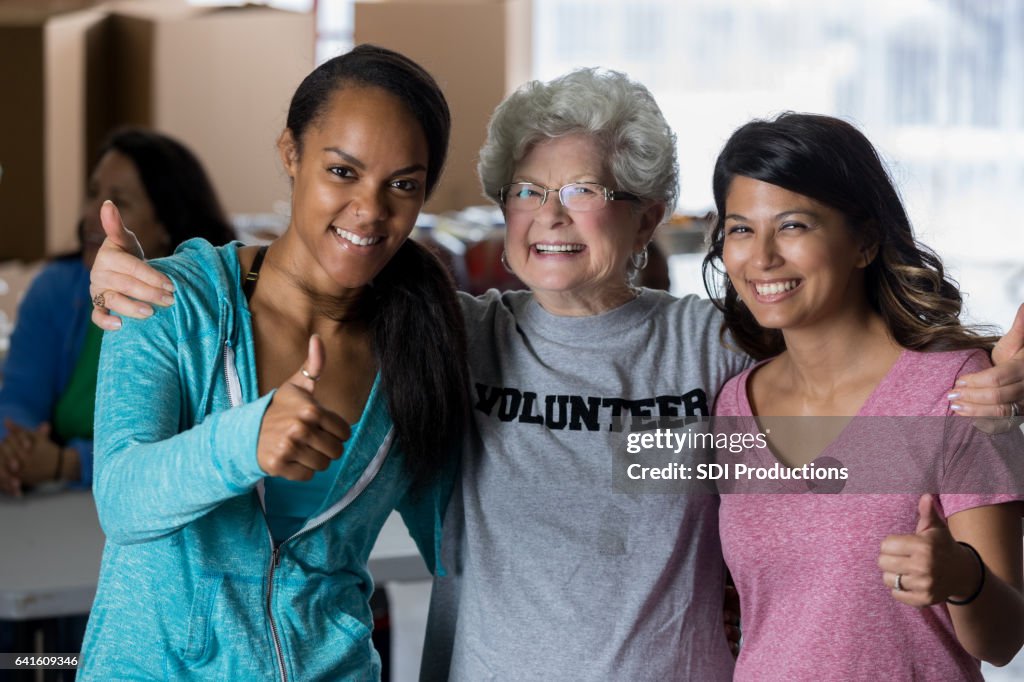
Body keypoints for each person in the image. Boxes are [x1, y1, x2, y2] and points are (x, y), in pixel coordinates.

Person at [88, 70, 1024, 680]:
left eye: (585, 191)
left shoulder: (717, 358)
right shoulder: (449, 335)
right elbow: (335, 262)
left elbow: (847, 396)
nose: (550, 218)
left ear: (649, 214)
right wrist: (159, 277)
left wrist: (981, 394)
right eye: (528, 192)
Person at [77, 45, 468, 679]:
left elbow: (464, 544)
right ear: (291, 153)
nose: (371, 209)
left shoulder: (426, 341)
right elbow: (122, 502)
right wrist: (245, 441)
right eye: (343, 172)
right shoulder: (172, 300)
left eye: (403, 184)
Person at [705, 112, 1024, 679]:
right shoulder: (733, 403)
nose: (762, 257)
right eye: (740, 229)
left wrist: (963, 579)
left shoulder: (952, 394)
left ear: (865, 242)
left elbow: (1002, 642)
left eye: (794, 226)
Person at [0, 127, 235, 496]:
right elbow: (17, 398)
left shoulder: (204, 309)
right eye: (93, 194)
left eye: (119, 202)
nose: (94, 214)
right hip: (54, 509)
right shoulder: (55, 290)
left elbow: (191, 445)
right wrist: (16, 451)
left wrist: (71, 463)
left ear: (165, 225)